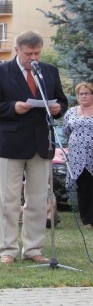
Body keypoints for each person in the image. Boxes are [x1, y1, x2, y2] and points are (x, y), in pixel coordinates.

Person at [0, 31, 67, 264]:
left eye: (37, 53)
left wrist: (58, 108)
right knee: (9, 199)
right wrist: (12, 108)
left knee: (38, 200)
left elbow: (62, 101)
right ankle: (8, 249)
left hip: (42, 143)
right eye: (28, 53)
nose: (33, 58)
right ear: (17, 50)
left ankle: (33, 249)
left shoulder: (49, 70)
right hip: (11, 144)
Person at [61, 82, 93, 227]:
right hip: (77, 156)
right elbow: (66, 131)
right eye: (81, 94)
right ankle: (87, 220)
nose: (84, 96)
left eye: (87, 93)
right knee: (84, 187)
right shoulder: (71, 112)